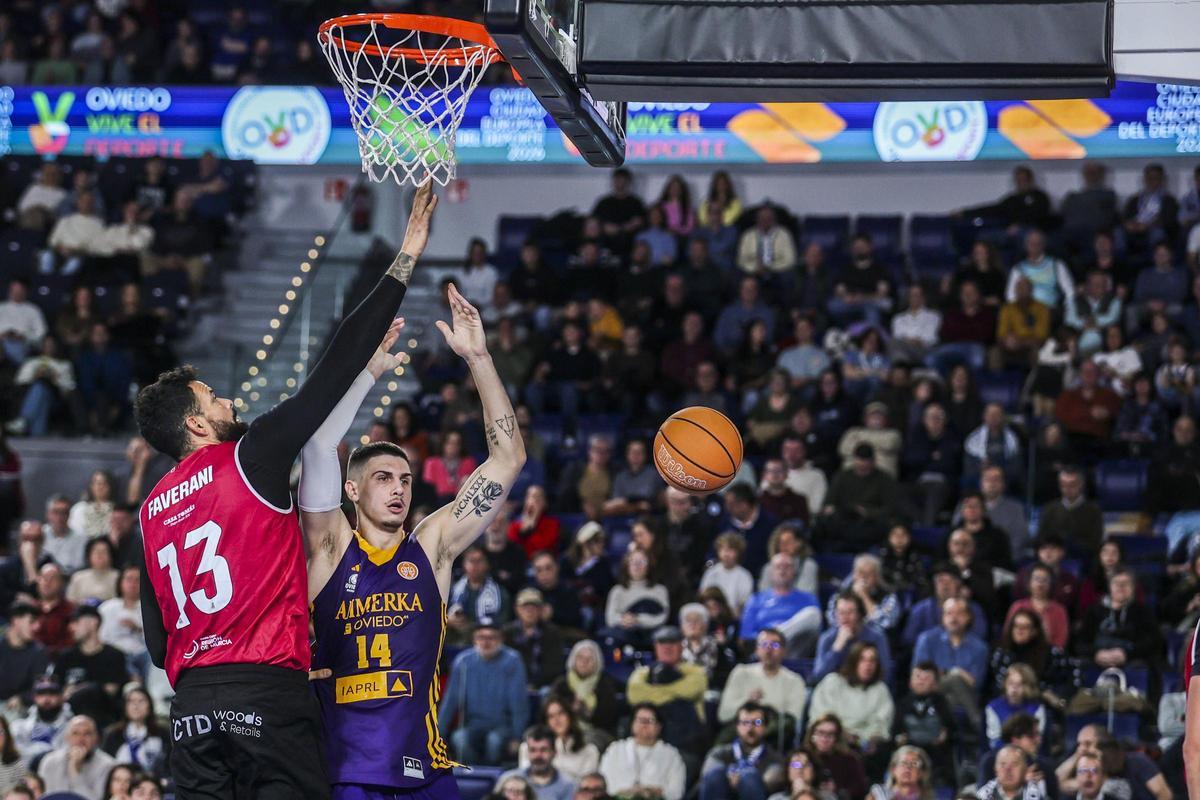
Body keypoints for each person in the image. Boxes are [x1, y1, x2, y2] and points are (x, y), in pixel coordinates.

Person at [133, 182, 437, 798]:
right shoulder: (249, 455)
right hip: (265, 690)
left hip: (191, 704)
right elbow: (333, 366)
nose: (230, 399)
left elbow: (155, 635)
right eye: (213, 399)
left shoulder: (149, 509)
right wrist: (405, 255)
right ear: (196, 425)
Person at [300, 279, 525, 793]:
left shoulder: (431, 546)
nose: (398, 489)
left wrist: (480, 358)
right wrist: (371, 372)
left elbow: (508, 460)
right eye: (383, 478)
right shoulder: (331, 547)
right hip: (347, 773)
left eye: (404, 479)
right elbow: (317, 447)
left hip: (425, 768)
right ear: (351, 490)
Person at [440, 622, 529, 765]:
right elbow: (450, 702)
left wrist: (517, 737)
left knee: (494, 742)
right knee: (459, 739)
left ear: (501, 639)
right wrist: (437, 736)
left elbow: (519, 703)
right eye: (481, 637)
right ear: (474, 640)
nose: (486, 642)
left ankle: (492, 778)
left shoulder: (513, 661)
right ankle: (471, 775)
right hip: (473, 725)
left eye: (491, 637)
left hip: (502, 726)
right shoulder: (463, 662)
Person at [626, 626, 707, 755]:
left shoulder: (696, 671)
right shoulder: (643, 672)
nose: (667, 648)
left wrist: (653, 692)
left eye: (672, 643)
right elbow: (634, 695)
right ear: (655, 646)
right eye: (662, 643)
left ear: (681, 646)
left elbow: (690, 691)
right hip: (648, 737)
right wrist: (673, 693)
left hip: (687, 739)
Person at [807, 643, 894, 753]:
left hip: (863, 747)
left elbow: (881, 724)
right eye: (862, 660)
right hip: (831, 740)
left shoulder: (881, 690)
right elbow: (820, 716)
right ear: (853, 662)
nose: (868, 665)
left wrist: (865, 739)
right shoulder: (832, 682)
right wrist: (841, 734)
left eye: (872, 660)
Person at [718, 629, 808, 733]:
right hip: (739, 733)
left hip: (774, 737)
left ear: (784, 651)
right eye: (764, 644)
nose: (768, 650)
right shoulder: (741, 673)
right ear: (757, 650)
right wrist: (747, 700)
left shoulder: (795, 681)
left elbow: (793, 720)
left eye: (775, 645)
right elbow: (723, 715)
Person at [54, 604, 128, 729]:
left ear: (93, 622)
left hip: (103, 717)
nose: (71, 627)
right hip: (67, 718)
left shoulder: (114, 655)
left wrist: (77, 690)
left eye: (76, 622)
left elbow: (110, 690)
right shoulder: (66, 657)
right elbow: (57, 688)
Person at [597, 704, 686, 800]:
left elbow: (676, 792)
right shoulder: (615, 749)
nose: (644, 725)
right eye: (640, 720)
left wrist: (652, 792)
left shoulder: (671, 755)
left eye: (650, 721)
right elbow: (602, 782)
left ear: (659, 727)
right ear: (632, 724)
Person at [699, 702, 787, 800]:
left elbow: (773, 781)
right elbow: (707, 773)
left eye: (757, 722)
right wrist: (729, 778)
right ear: (737, 726)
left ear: (765, 726)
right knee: (716, 775)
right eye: (745, 722)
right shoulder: (719, 753)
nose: (750, 728)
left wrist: (743, 779)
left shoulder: (775, 758)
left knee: (749, 777)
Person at [740, 554, 821, 656]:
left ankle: (775, 637)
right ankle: (774, 639)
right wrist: (767, 639)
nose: (782, 571)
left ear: (794, 572)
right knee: (767, 643)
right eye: (778, 567)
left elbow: (816, 632)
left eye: (787, 567)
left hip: (795, 650)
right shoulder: (756, 599)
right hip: (765, 649)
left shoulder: (808, 599)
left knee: (812, 613)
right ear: (771, 572)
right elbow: (746, 636)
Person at [892, 663, 955, 785]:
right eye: (917, 676)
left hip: (935, 751)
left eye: (926, 678)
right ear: (910, 681)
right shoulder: (903, 703)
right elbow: (896, 730)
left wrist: (946, 735)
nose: (920, 681)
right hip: (909, 749)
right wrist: (899, 738)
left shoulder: (941, 703)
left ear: (935, 684)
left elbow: (951, 728)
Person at [814, 592, 893, 683]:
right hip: (837, 691)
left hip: (867, 689)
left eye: (850, 612)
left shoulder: (877, 637)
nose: (845, 618)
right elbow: (818, 676)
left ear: (860, 614)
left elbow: (886, 674)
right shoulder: (827, 638)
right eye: (841, 612)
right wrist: (836, 648)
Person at [518, 698, 601, 784]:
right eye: (551, 716)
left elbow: (587, 786)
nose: (556, 719)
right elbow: (528, 780)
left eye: (561, 713)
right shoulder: (528, 748)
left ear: (570, 716)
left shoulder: (589, 751)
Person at [549, 640, 622, 737]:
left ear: (597, 662)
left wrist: (585, 711)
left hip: (596, 730)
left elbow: (608, 719)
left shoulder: (605, 685)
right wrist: (570, 709)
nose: (584, 662)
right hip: (563, 728)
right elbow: (551, 710)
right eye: (580, 657)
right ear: (573, 660)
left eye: (589, 659)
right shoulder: (561, 683)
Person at [37, 715, 115, 799]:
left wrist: (75, 771)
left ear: (96, 738)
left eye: (87, 734)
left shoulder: (107, 765)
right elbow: (42, 797)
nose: (80, 739)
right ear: (67, 737)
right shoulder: (50, 761)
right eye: (75, 733)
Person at [505, 588, 566, 689]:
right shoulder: (507, 633)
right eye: (525, 607)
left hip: (543, 685)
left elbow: (554, 667)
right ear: (517, 609)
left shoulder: (552, 633)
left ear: (541, 610)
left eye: (534, 607)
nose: (530, 611)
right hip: (511, 683)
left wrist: (534, 684)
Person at [100, 686, 167, 775]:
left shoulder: (163, 733)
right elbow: (105, 766)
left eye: (141, 701)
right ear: (125, 706)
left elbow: (169, 765)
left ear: (150, 705)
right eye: (131, 701)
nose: (136, 706)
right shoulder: (113, 734)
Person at [501, 726, 576, 800]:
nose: (538, 756)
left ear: (554, 752)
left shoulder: (567, 785)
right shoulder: (508, 780)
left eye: (543, 750)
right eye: (533, 750)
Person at [804, 715, 867, 800]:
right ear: (812, 735)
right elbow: (793, 766)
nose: (824, 738)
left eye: (830, 734)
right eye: (820, 733)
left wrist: (839, 791)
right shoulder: (803, 756)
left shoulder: (849, 760)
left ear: (836, 738)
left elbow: (860, 786)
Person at [0, 603, 48, 708]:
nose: (37, 627)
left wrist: (21, 698)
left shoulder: (38, 652)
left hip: (19, 708)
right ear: (15, 621)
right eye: (32, 621)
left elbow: (39, 688)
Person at [701, 533, 755, 614]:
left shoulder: (745, 575)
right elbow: (704, 595)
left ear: (738, 552)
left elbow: (745, 603)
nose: (726, 554)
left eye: (730, 550)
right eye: (722, 550)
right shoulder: (711, 573)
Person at [976, 745, 1046, 800]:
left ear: (1025, 770)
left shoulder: (1039, 797)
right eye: (1003, 764)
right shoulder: (980, 797)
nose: (1008, 769)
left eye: (1014, 764)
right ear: (995, 769)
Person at [866, 746, 933, 800]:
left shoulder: (931, 797)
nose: (908, 768)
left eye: (914, 764)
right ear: (893, 769)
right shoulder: (878, 794)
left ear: (922, 772)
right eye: (903, 763)